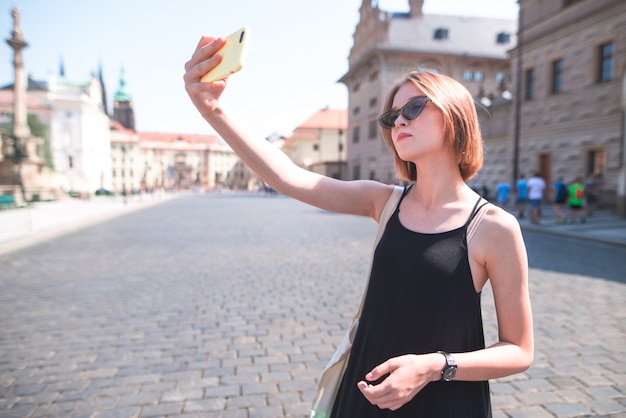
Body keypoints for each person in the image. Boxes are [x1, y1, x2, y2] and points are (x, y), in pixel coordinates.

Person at [184, 37, 533, 417]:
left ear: (454, 115)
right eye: (392, 116)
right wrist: (213, 108)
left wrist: (435, 366)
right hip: (365, 395)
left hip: (444, 403)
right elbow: (288, 177)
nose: (399, 120)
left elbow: (519, 350)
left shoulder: (494, 227)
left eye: (414, 107)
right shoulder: (383, 201)